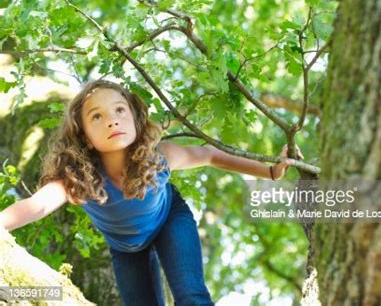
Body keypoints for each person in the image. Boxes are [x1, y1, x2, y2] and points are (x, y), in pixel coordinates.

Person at [0, 80, 304, 306]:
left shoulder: (159, 157)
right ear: (85, 137)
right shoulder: (78, 177)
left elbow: (210, 155)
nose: (112, 119)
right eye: (97, 116)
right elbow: (36, 205)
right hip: (126, 249)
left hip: (170, 220)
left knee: (191, 297)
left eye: (120, 110)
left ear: (134, 118)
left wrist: (270, 171)